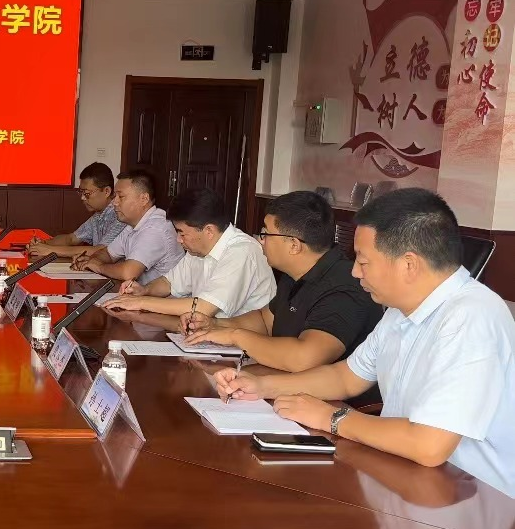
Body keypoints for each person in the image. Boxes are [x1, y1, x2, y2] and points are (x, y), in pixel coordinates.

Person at [215, 188, 515, 496]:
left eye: (363, 261)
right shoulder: (400, 310)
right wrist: (261, 387)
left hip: (472, 498)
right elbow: (345, 377)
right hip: (406, 479)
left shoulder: (471, 317)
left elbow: (429, 445)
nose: (355, 272)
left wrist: (332, 418)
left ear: (408, 264)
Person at [181, 190, 383, 373]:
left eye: (265, 233)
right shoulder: (293, 273)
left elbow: (304, 358)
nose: (260, 240)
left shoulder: (345, 286)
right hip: (285, 385)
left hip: (329, 399)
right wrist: (215, 324)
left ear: (294, 245)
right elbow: (265, 321)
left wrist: (235, 336)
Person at [102, 186, 275, 324]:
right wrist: (144, 290)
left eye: (182, 233)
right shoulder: (198, 249)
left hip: (244, 347)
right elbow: (169, 282)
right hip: (210, 335)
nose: (178, 240)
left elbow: (204, 308)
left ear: (208, 230)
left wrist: (139, 303)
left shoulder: (242, 251)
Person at [71, 169, 183, 285]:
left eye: (121, 196)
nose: (114, 202)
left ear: (144, 199)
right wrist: (92, 261)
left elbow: (128, 273)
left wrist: (99, 266)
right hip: (140, 293)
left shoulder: (156, 228)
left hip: (164, 296)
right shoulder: (133, 225)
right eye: (115, 196)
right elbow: (108, 253)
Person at [27, 162, 125, 258]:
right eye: (81, 192)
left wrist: (50, 250)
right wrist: (42, 243)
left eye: (87, 193)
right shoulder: (98, 216)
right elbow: (71, 239)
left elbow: (101, 250)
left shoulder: (120, 215)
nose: (82, 198)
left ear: (106, 191)